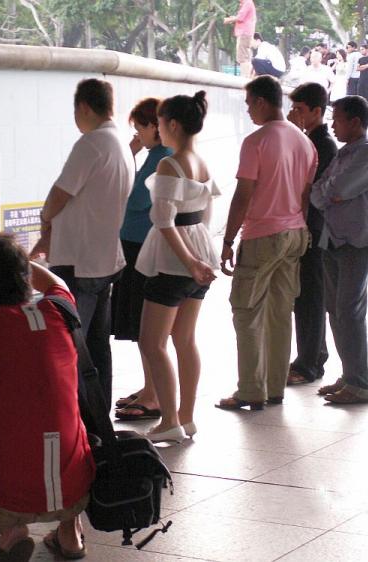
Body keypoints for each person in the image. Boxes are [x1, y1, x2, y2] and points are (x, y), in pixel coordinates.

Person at [0, 232, 95, 561]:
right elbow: (53, 280)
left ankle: (11, 532)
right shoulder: (59, 310)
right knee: (58, 441)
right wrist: (8, 261)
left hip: (8, 494)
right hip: (78, 486)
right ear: (24, 277)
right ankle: (70, 535)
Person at [31, 78, 132, 409]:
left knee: (70, 344)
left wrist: (45, 217)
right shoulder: (119, 143)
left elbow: (61, 193)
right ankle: (97, 415)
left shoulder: (91, 143)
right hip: (105, 259)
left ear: (85, 107)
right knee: (97, 346)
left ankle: (72, 417)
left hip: (79, 260)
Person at [217, 76, 317, 411]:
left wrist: (229, 239)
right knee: (279, 313)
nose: (248, 111)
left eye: (249, 104)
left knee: (246, 312)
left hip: (262, 235)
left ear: (261, 101)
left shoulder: (256, 141)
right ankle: (275, 387)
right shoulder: (305, 142)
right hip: (295, 234)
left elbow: (243, 194)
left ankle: (250, 391)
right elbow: (304, 196)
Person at [134, 91, 219, 442]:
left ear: (171, 124)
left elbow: (165, 221)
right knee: (184, 339)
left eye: (160, 123)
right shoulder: (200, 161)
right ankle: (186, 416)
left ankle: (169, 419)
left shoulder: (170, 163)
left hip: (175, 261)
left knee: (151, 342)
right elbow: (206, 212)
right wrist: (201, 257)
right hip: (199, 248)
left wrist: (191, 262)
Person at [311, 96, 368, 404]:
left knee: (349, 311)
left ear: (355, 122)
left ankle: (360, 383)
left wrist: (327, 192)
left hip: (358, 241)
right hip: (334, 239)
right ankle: (349, 375)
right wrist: (327, 192)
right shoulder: (344, 154)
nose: (333, 124)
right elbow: (318, 195)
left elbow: (337, 190)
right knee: (336, 311)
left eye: (338, 119)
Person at [113, 97, 172, 421]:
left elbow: (134, 198)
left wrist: (130, 154)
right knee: (142, 327)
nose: (137, 135)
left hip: (142, 247)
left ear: (154, 126)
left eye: (140, 128)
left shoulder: (161, 158)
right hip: (140, 245)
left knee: (144, 326)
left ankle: (153, 394)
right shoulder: (157, 156)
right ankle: (150, 387)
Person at [285, 83, 338, 386]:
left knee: (310, 297)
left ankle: (309, 363)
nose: (294, 114)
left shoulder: (321, 144)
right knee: (306, 296)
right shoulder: (312, 140)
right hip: (310, 229)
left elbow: (308, 189)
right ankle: (313, 356)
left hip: (315, 231)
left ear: (317, 112)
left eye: (300, 110)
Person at [224, 0, 257, 78]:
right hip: (246, 33)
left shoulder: (247, 2)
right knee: (245, 55)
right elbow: (242, 17)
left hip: (244, 33)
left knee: (242, 56)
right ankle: (247, 76)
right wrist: (234, 18)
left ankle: (245, 77)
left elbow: (240, 17)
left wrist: (228, 20)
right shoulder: (248, 3)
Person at [357, 44, 368, 112]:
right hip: (362, 78)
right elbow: (357, 68)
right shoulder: (360, 59)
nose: (361, 51)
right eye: (360, 50)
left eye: (362, 49)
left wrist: (363, 66)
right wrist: (365, 66)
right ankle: (361, 109)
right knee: (361, 94)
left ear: (366, 50)